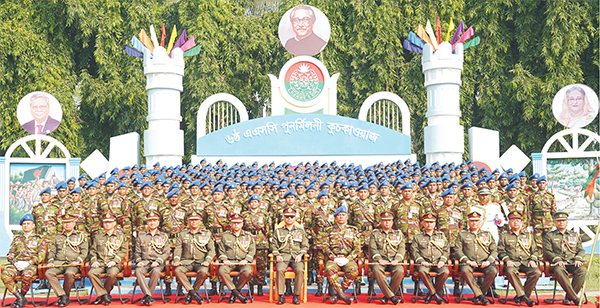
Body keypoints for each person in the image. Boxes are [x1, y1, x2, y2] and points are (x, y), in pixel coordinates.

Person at [1, 214, 47, 308]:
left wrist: (28, 263)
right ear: (22, 226)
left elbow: (41, 256)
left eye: (28, 223)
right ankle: (20, 298)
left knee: (27, 274)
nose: (26, 225)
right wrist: (15, 262)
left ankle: (21, 298)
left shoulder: (39, 239)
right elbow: (10, 254)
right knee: (4, 274)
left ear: (33, 225)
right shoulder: (17, 239)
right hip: (17, 265)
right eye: (24, 224)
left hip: (31, 265)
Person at [543, 212, 587, 306]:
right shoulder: (550, 235)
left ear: (567, 222)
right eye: (559, 221)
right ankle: (575, 298)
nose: (561, 223)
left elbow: (581, 250)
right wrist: (557, 259)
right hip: (557, 264)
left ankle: (568, 297)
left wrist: (578, 259)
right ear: (555, 222)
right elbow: (548, 251)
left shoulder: (573, 235)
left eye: (563, 221)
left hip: (572, 263)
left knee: (583, 270)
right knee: (559, 270)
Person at [45, 214, 89, 307]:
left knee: (69, 274)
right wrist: (51, 262)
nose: (67, 225)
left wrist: (78, 261)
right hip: (59, 263)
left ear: (74, 223)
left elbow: (84, 252)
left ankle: (64, 297)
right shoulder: (58, 237)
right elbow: (52, 251)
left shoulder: (81, 236)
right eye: (65, 223)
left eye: (69, 222)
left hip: (73, 263)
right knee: (48, 273)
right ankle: (63, 296)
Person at [497, 212, 540, 307]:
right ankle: (524, 297)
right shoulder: (504, 235)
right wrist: (507, 260)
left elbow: (535, 251)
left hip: (526, 262)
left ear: (521, 222)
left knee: (536, 272)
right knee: (510, 271)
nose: (515, 223)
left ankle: (520, 296)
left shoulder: (528, 235)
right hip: (512, 263)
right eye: (513, 221)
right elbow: (500, 250)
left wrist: (533, 259)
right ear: (509, 223)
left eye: (517, 220)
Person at [455, 211, 498, 305]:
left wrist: (489, 261)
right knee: (465, 270)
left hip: (484, 263)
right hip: (469, 263)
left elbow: (494, 250)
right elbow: (458, 251)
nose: (474, 223)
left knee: (493, 271)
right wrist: (468, 261)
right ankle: (481, 296)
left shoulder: (487, 234)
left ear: (480, 222)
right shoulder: (462, 234)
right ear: (468, 222)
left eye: (476, 221)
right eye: (472, 221)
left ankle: (478, 295)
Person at [172, 212, 215, 304]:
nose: (194, 222)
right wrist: (176, 260)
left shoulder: (206, 233)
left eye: (196, 220)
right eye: (192, 220)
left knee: (203, 272)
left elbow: (211, 250)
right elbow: (178, 248)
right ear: (188, 222)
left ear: (200, 221)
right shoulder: (183, 234)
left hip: (201, 261)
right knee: (177, 270)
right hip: (186, 261)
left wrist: (207, 260)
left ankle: (190, 294)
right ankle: (194, 293)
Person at [88, 214, 128, 306]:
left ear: (114, 224)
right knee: (91, 273)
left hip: (114, 263)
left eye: (110, 222)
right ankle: (104, 294)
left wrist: (115, 261)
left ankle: (101, 295)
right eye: (105, 222)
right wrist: (94, 261)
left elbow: (123, 251)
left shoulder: (121, 236)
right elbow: (93, 251)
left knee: (112, 274)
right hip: (100, 262)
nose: (107, 224)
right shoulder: (98, 236)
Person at [271, 207, 309, 305]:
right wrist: (277, 255)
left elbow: (305, 245)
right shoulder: (278, 231)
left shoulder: (300, 231)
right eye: (287, 216)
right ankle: (281, 295)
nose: (289, 218)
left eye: (291, 216)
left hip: (296, 256)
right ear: (284, 217)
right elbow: (274, 245)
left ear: (294, 218)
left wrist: (301, 254)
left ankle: (296, 295)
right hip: (283, 256)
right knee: (280, 270)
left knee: (300, 270)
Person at [323, 204, 359, 305]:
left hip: (348, 259)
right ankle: (342, 295)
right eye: (339, 215)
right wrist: (334, 258)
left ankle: (338, 295)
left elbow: (357, 248)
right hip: (334, 259)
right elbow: (325, 247)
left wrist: (348, 258)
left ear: (347, 217)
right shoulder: (329, 230)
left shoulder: (353, 230)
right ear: (335, 217)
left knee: (353, 270)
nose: (341, 217)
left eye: (343, 215)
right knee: (329, 269)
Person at [411, 213, 449, 304]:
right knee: (422, 271)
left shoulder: (441, 235)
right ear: (423, 223)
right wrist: (421, 261)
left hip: (438, 262)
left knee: (445, 272)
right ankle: (435, 294)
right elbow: (414, 251)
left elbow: (446, 250)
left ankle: (430, 294)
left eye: (431, 222)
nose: (429, 224)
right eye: (427, 222)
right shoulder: (417, 236)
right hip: (424, 263)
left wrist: (443, 260)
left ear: (435, 224)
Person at [217, 213, 255, 304]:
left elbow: (252, 250)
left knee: (247, 272)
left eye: (238, 223)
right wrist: (224, 259)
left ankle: (234, 293)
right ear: (231, 224)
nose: (236, 225)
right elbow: (221, 250)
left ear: (242, 224)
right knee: (222, 271)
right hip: (229, 262)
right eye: (234, 223)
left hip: (243, 261)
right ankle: (236, 293)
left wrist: (246, 260)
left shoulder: (248, 236)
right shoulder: (225, 236)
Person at [134, 212, 170, 306]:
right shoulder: (141, 236)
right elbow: (137, 253)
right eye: (150, 221)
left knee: (156, 271)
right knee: (138, 271)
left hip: (158, 263)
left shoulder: (163, 236)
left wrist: (158, 261)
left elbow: (166, 252)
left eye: (154, 221)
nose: (152, 223)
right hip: (144, 262)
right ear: (147, 223)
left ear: (158, 222)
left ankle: (147, 296)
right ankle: (148, 295)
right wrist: (138, 261)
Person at [369, 211, 405, 305]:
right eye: (384, 221)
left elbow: (401, 249)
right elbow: (373, 249)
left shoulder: (398, 234)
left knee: (400, 271)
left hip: (394, 261)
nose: (387, 223)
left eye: (389, 221)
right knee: (376, 270)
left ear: (392, 222)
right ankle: (392, 297)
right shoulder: (375, 234)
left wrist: (397, 260)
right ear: (381, 222)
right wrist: (379, 259)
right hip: (380, 261)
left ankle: (387, 297)